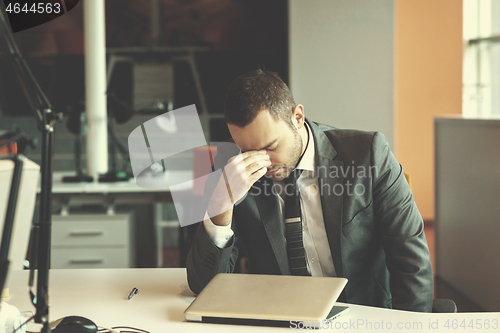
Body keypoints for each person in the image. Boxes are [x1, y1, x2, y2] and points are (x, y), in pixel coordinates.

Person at [186, 69, 433, 312]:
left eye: (271, 146)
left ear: (298, 117)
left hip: (362, 316)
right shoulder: (231, 168)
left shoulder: (368, 155)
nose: (263, 162)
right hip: (279, 320)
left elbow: (412, 262)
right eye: (247, 151)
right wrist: (221, 203)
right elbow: (205, 287)